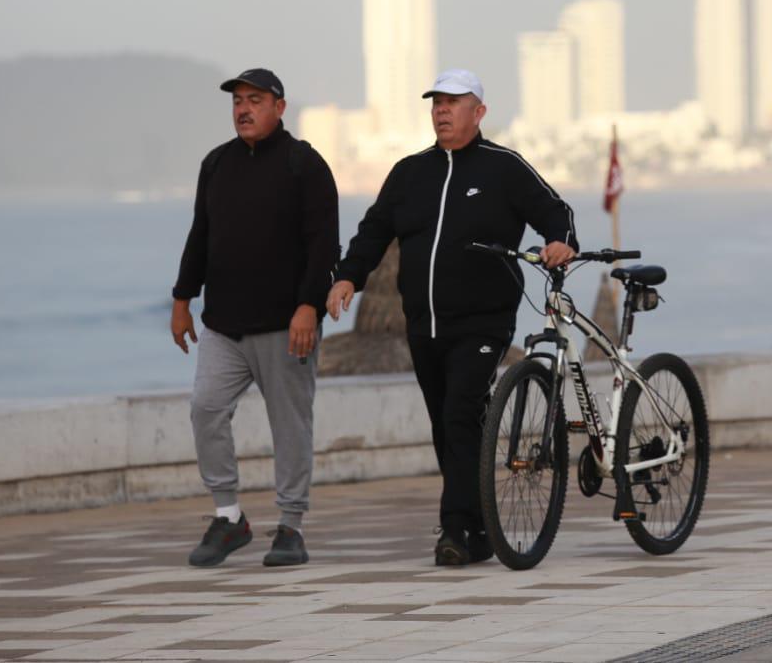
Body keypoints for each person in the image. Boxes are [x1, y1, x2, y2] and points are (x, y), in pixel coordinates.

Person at [326, 69, 577, 565]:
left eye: (453, 103)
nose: (442, 111)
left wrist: (561, 242)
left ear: (478, 112)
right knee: (447, 424)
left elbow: (555, 210)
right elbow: (374, 231)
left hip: (484, 319)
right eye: (436, 103)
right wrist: (347, 277)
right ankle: (480, 523)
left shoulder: (504, 167)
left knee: (460, 412)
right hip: (423, 323)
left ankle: (455, 530)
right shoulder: (409, 172)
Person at [171, 68, 339, 568]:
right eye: (238, 102)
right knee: (205, 408)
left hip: (286, 325)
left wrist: (308, 305)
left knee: (289, 426)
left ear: (280, 107)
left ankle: (290, 527)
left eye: (256, 100)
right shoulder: (217, 163)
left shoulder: (303, 164)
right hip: (224, 324)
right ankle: (228, 518)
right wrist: (182, 298)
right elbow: (201, 234)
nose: (244, 109)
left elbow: (323, 243)